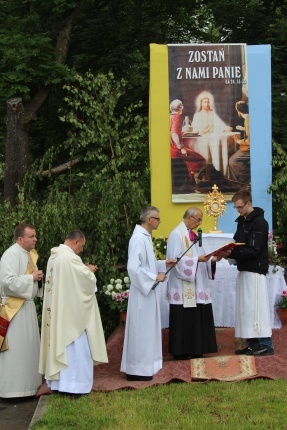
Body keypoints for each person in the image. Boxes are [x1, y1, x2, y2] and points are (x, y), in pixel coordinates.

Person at [39, 230, 108, 396]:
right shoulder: (70, 258)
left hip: (60, 313)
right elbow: (84, 282)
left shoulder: (54, 256)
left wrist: (83, 270)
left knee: (62, 347)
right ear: (76, 242)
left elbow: (68, 280)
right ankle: (75, 387)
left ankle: (59, 385)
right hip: (72, 317)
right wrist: (90, 271)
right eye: (82, 246)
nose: (82, 250)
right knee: (77, 350)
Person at [120, 206, 176, 381]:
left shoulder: (144, 237)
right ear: (149, 220)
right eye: (158, 219)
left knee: (146, 330)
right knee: (140, 331)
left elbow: (145, 265)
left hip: (147, 293)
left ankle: (146, 366)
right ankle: (137, 369)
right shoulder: (138, 238)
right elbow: (133, 268)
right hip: (141, 296)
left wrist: (162, 264)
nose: (160, 221)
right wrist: (154, 277)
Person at [218, 189, 274, 356]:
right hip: (244, 269)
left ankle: (265, 343)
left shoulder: (260, 223)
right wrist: (229, 251)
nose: (238, 211)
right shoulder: (242, 222)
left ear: (248, 203)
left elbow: (255, 249)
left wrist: (232, 253)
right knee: (247, 308)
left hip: (255, 270)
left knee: (257, 307)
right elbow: (238, 242)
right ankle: (252, 343)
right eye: (236, 208)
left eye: (240, 207)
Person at [166, 207, 219, 359]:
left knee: (195, 316)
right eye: (198, 219)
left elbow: (201, 256)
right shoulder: (177, 235)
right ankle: (182, 351)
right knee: (185, 317)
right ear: (189, 218)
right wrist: (197, 260)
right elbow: (174, 261)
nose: (200, 223)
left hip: (195, 284)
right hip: (182, 286)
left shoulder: (193, 235)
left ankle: (196, 349)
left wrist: (212, 260)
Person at [0, 223, 44, 399]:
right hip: (14, 310)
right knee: (15, 351)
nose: (35, 239)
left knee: (29, 349)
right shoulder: (10, 255)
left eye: (35, 236)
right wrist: (31, 278)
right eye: (31, 236)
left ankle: (30, 387)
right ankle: (13, 390)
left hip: (27, 307)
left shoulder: (29, 255)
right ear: (20, 239)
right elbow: (7, 282)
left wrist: (37, 279)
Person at [170, 99, 206, 193]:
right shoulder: (177, 117)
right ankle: (195, 183)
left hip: (171, 148)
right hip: (175, 150)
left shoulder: (170, 116)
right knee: (199, 158)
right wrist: (181, 147)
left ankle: (193, 181)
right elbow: (173, 133)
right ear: (180, 108)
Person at [228, 101, 250, 186]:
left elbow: (251, 141)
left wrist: (238, 141)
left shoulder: (248, 120)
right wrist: (244, 129)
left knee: (232, 160)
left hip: (251, 149)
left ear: (239, 111)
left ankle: (240, 183)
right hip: (250, 147)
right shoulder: (248, 119)